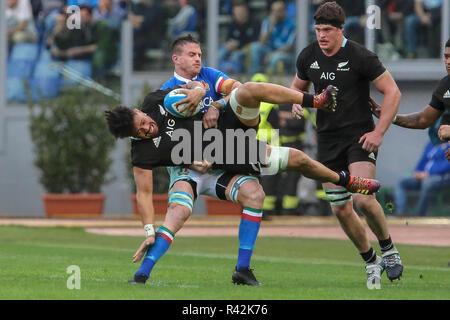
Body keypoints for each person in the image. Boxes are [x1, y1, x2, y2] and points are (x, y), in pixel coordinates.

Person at [105, 81, 382, 286]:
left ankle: (341, 172)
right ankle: (141, 276)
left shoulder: (157, 99)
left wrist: (203, 93)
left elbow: (203, 86)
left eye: (142, 121)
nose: (146, 127)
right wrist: (148, 231)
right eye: (139, 131)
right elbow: (143, 193)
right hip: (192, 170)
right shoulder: (141, 152)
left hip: (228, 144)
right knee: (179, 211)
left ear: (137, 110)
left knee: (290, 163)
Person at [290, 1, 403, 288]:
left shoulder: (361, 56)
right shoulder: (308, 56)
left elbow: (393, 93)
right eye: (318, 30)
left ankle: (388, 248)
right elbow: (295, 87)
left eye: (327, 30)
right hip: (327, 140)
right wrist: (295, 103)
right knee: (340, 208)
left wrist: (378, 133)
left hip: (360, 136)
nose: (321, 36)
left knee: (362, 198)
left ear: (341, 30)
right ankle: (370, 260)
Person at [370, 39, 450, 154]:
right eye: (446, 57)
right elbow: (422, 119)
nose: (448, 61)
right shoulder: (445, 85)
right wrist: (390, 116)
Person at [394, 120, 450, 216]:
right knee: (402, 182)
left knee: (427, 183)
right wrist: (417, 172)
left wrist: (428, 174)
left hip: (443, 178)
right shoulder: (431, 144)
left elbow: (447, 165)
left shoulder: (448, 145)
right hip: (424, 177)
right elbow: (422, 160)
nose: (439, 131)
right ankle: (400, 212)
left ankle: (420, 214)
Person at [249, 1, 296, 75]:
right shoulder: (267, 22)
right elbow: (261, 42)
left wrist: (272, 54)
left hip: (286, 54)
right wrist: (270, 26)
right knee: (255, 47)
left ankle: (271, 81)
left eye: (278, 11)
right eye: (273, 11)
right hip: (270, 50)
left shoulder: (292, 24)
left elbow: (289, 47)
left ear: (284, 11)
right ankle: (254, 76)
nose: (276, 13)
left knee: (275, 58)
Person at [217, 1, 260, 74]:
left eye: (241, 12)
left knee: (235, 55)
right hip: (234, 49)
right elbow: (228, 40)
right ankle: (214, 71)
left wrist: (239, 45)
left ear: (246, 11)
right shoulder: (232, 24)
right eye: (237, 12)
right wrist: (228, 45)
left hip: (246, 50)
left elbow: (256, 42)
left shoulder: (254, 23)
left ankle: (235, 76)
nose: (239, 14)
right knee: (222, 51)